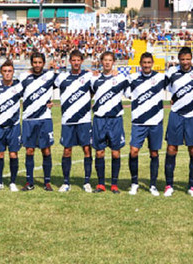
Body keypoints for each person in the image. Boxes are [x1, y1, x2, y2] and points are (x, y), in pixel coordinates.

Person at [164, 47, 193, 198]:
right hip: (176, 114)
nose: (185, 62)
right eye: (182, 59)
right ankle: (169, 185)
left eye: (188, 59)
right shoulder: (171, 72)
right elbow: (162, 86)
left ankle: (192, 186)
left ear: (191, 59)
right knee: (171, 149)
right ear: (178, 59)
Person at [126, 52, 166, 196]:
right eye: (144, 63)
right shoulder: (132, 78)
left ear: (153, 63)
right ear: (140, 64)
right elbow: (123, 88)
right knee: (133, 151)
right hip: (138, 122)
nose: (147, 65)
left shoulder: (161, 77)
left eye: (149, 62)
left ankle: (153, 185)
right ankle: (134, 183)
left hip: (155, 122)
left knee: (154, 153)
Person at [54, 50, 93, 193]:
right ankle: (66, 182)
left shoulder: (89, 76)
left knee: (87, 149)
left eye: (78, 60)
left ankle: (87, 181)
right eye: (74, 60)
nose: (76, 63)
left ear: (82, 61)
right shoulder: (61, 77)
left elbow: (99, 87)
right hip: (68, 121)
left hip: (84, 120)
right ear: (70, 61)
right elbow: (45, 86)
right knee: (67, 150)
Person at [91, 51, 129, 194]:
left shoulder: (121, 78)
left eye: (110, 60)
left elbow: (132, 92)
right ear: (101, 61)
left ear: (113, 62)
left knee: (115, 153)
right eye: (105, 60)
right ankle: (101, 184)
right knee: (99, 152)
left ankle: (114, 184)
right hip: (100, 120)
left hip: (115, 120)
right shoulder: (94, 79)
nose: (107, 62)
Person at [19, 52, 57, 191]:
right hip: (29, 119)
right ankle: (29, 182)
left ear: (43, 63)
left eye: (40, 62)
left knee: (46, 150)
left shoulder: (50, 76)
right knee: (29, 151)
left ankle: (47, 182)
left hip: (45, 119)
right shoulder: (23, 77)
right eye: (35, 62)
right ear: (31, 63)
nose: (37, 65)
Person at [0, 60, 22, 192]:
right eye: (5, 71)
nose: (7, 74)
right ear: (1, 72)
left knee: (13, 154)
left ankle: (13, 182)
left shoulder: (20, 86)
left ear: (13, 72)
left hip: (14, 125)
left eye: (9, 71)